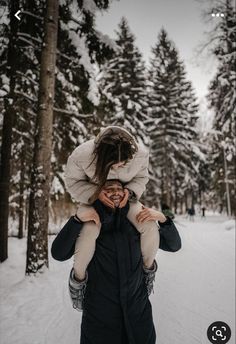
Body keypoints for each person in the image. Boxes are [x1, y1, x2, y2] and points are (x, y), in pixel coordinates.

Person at [51, 179, 182, 344]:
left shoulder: (136, 224)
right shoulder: (90, 225)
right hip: (100, 319)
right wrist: (76, 220)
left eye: (119, 188)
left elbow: (174, 245)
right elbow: (58, 253)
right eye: (109, 188)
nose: (115, 192)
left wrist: (162, 219)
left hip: (138, 316)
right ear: (100, 193)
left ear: (126, 193)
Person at [64, 126, 160, 285]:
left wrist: (129, 192)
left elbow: (142, 178)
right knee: (89, 230)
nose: (116, 168)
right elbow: (72, 182)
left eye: (122, 164)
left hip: (126, 199)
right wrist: (96, 194)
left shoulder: (141, 155)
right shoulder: (81, 155)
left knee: (148, 223)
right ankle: (78, 281)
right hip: (92, 199)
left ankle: (147, 272)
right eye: (112, 164)